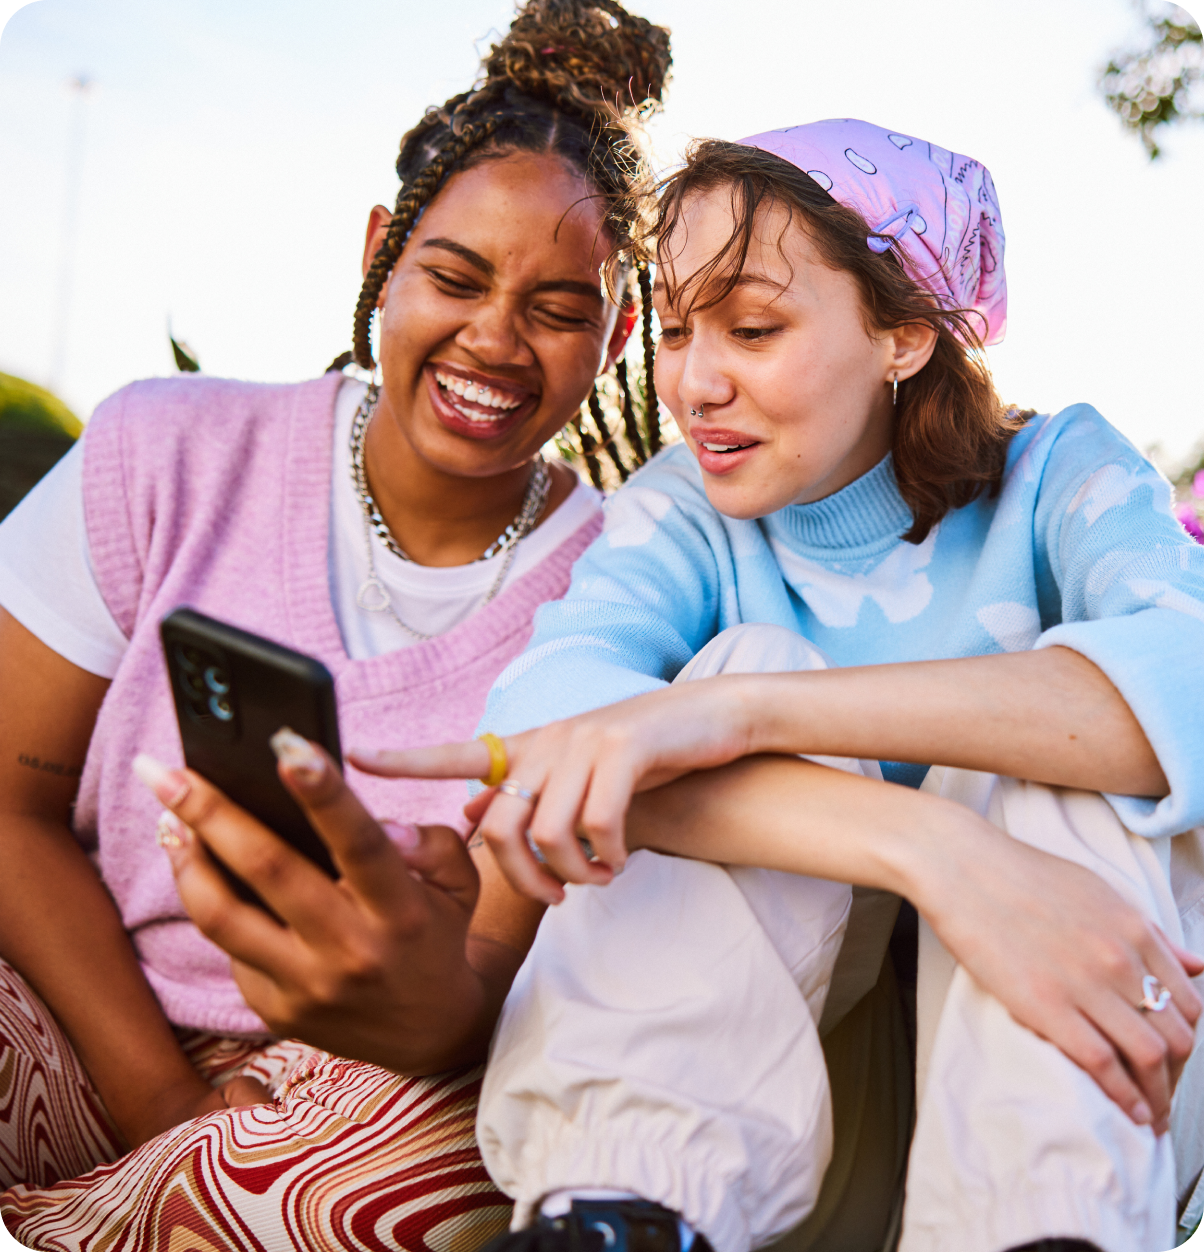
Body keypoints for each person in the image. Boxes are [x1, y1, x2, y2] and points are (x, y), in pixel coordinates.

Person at [147, 120, 1204, 1252]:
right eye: (678, 327)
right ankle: (622, 1216)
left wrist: (739, 716)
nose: (697, 382)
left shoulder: (1061, 474)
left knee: (1051, 737)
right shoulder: (683, 510)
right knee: (708, 681)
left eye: (751, 327)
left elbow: (1180, 683)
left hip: (1090, 1085)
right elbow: (540, 734)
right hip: (770, 1113)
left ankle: (1047, 1234)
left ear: (904, 335)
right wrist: (935, 850)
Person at [0, 2, 671, 1247]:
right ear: (383, 253)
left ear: (618, 332)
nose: (493, 340)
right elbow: (7, 803)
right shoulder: (163, 449)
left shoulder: (632, 586)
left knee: (376, 1198)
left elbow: (496, 999)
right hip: (79, 1000)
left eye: (560, 309)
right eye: (455, 277)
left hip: (366, 1089)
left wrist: (434, 988)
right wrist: (160, 1096)